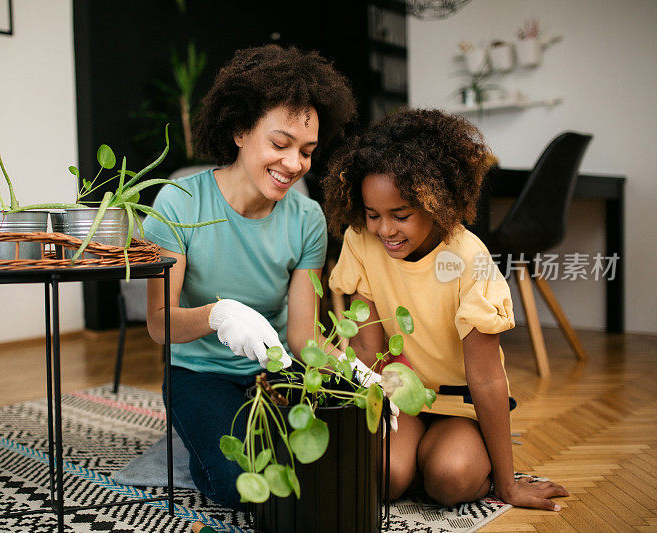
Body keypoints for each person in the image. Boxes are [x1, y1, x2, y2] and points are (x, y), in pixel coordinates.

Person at [143, 44, 357, 510]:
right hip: (197, 372)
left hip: (276, 371)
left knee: (339, 465)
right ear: (240, 130)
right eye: (280, 144)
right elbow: (160, 323)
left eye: (306, 151)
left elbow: (301, 338)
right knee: (246, 486)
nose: (294, 165)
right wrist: (218, 315)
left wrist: (353, 371)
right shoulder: (180, 203)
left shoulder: (307, 219)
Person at [324, 109, 570, 510]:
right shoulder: (361, 243)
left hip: (460, 404)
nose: (384, 230)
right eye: (373, 215)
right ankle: (419, 455)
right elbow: (368, 352)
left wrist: (508, 486)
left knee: (451, 479)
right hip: (399, 397)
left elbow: (487, 379)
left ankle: (470, 462)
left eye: (400, 215)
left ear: (435, 201)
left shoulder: (470, 261)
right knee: (384, 478)